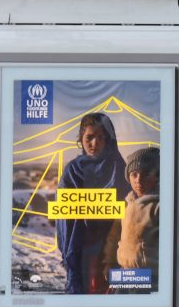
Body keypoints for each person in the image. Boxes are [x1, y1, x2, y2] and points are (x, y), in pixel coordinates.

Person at [56, 112, 130, 294]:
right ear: (81, 139)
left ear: (109, 140)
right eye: (89, 137)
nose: (95, 143)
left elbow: (128, 214)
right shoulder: (72, 170)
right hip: (81, 246)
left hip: (112, 249)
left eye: (101, 137)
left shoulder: (120, 170)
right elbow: (64, 217)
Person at [104, 147, 161, 292]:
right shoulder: (127, 204)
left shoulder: (160, 206)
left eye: (146, 174)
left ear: (157, 176)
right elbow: (115, 236)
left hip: (149, 278)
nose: (139, 180)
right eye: (134, 174)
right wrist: (109, 262)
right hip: (125, 273)